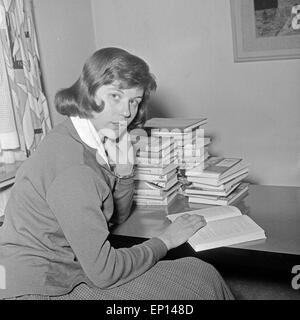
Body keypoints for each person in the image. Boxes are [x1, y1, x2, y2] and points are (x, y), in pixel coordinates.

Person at [0, 47, 234, 300]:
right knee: (197, 283)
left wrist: (123, 172)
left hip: (66, 270)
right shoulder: (74, 167)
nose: (126, 112)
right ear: (88, 91)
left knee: (199, 273)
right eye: (115, 96)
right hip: (40, 288)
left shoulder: (77, 135)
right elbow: (105, 272)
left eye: (134, 101)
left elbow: (114, 218)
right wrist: (165, 241)